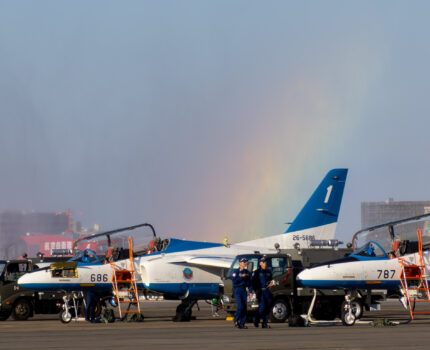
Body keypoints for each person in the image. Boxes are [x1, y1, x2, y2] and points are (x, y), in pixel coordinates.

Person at [252, 256, 274, 328]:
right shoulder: (256, 272)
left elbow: (271, 280)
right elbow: (253, 282)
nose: (265, 264)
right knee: (262, 306)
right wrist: (255, 290)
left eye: (265, 262)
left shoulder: (268, 272)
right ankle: (256, 320)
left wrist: (271, 283)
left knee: (267, 307)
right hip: (260, 291)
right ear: (260, 263)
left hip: (266, 290)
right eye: (264, 262)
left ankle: (265, 323)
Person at [232, 257, 252, 329]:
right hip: (237, 290)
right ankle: (236, 320)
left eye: (245, 262)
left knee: (244, 308)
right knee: (240, 306)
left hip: (244, 290)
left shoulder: (247, 272)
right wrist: (241, 277)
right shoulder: (236, 272)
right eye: (243, 262)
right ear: (240, 263)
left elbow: (249, 282)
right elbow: (234, 281)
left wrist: (250, 291)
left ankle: (242, 324)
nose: (244, 263)